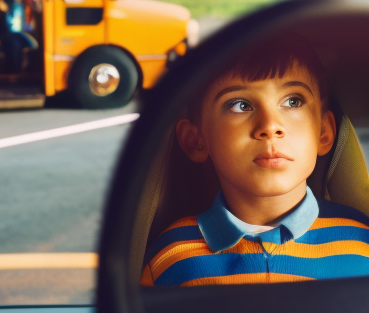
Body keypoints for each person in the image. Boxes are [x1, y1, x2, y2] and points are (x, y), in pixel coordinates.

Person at [141, 35, 369, 286]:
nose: (270, 126)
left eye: (293, 101)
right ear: (195, 140)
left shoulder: (363, 244)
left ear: (323, 133)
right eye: (240, 105)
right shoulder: (168, 260)